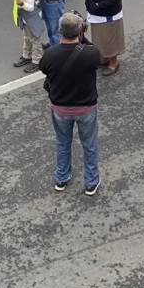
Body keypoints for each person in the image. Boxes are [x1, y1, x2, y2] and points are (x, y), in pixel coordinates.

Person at [39, 12, 103, 196]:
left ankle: (62, 178)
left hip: (60, 108)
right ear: (81, 31)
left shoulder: (50, 55)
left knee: (62, 142)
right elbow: (98, 58)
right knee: (89, 144)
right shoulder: (91, 53)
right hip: (86, 107)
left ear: (60, 31)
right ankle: (91, 181)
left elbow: (44, 69)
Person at [13, 0, 45, 73]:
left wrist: (22, 4)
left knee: (35, 40)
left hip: (31, 17)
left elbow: (30, 7)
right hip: (25, 18)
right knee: (26, 37)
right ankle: (27, 55)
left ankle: (37, 60)